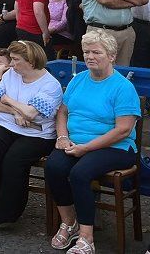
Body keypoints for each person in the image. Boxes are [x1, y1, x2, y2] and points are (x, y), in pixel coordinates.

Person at [45, 29, 140, 254]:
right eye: (86, 52)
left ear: (111, 56)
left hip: (115, 146)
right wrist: (62, 137)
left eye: (96, 52)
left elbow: (123, 130)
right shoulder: (79, 79)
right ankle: (69, 223)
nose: (89, 56)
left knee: (80, 173)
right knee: (54, 166)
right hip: (75, 142)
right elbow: (63, 111)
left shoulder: (123, 87)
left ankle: (87, 239)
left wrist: (85, 148)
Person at [0, 40, 63, 230]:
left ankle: (7, 213)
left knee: (14, 159)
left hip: (37, 134)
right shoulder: (11, 74)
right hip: (9, 125)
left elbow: (31, 114)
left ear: (30, 62)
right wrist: (15, 111)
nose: (11, 63)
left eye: (15, 59)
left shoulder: (50, 85)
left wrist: (7, 99)